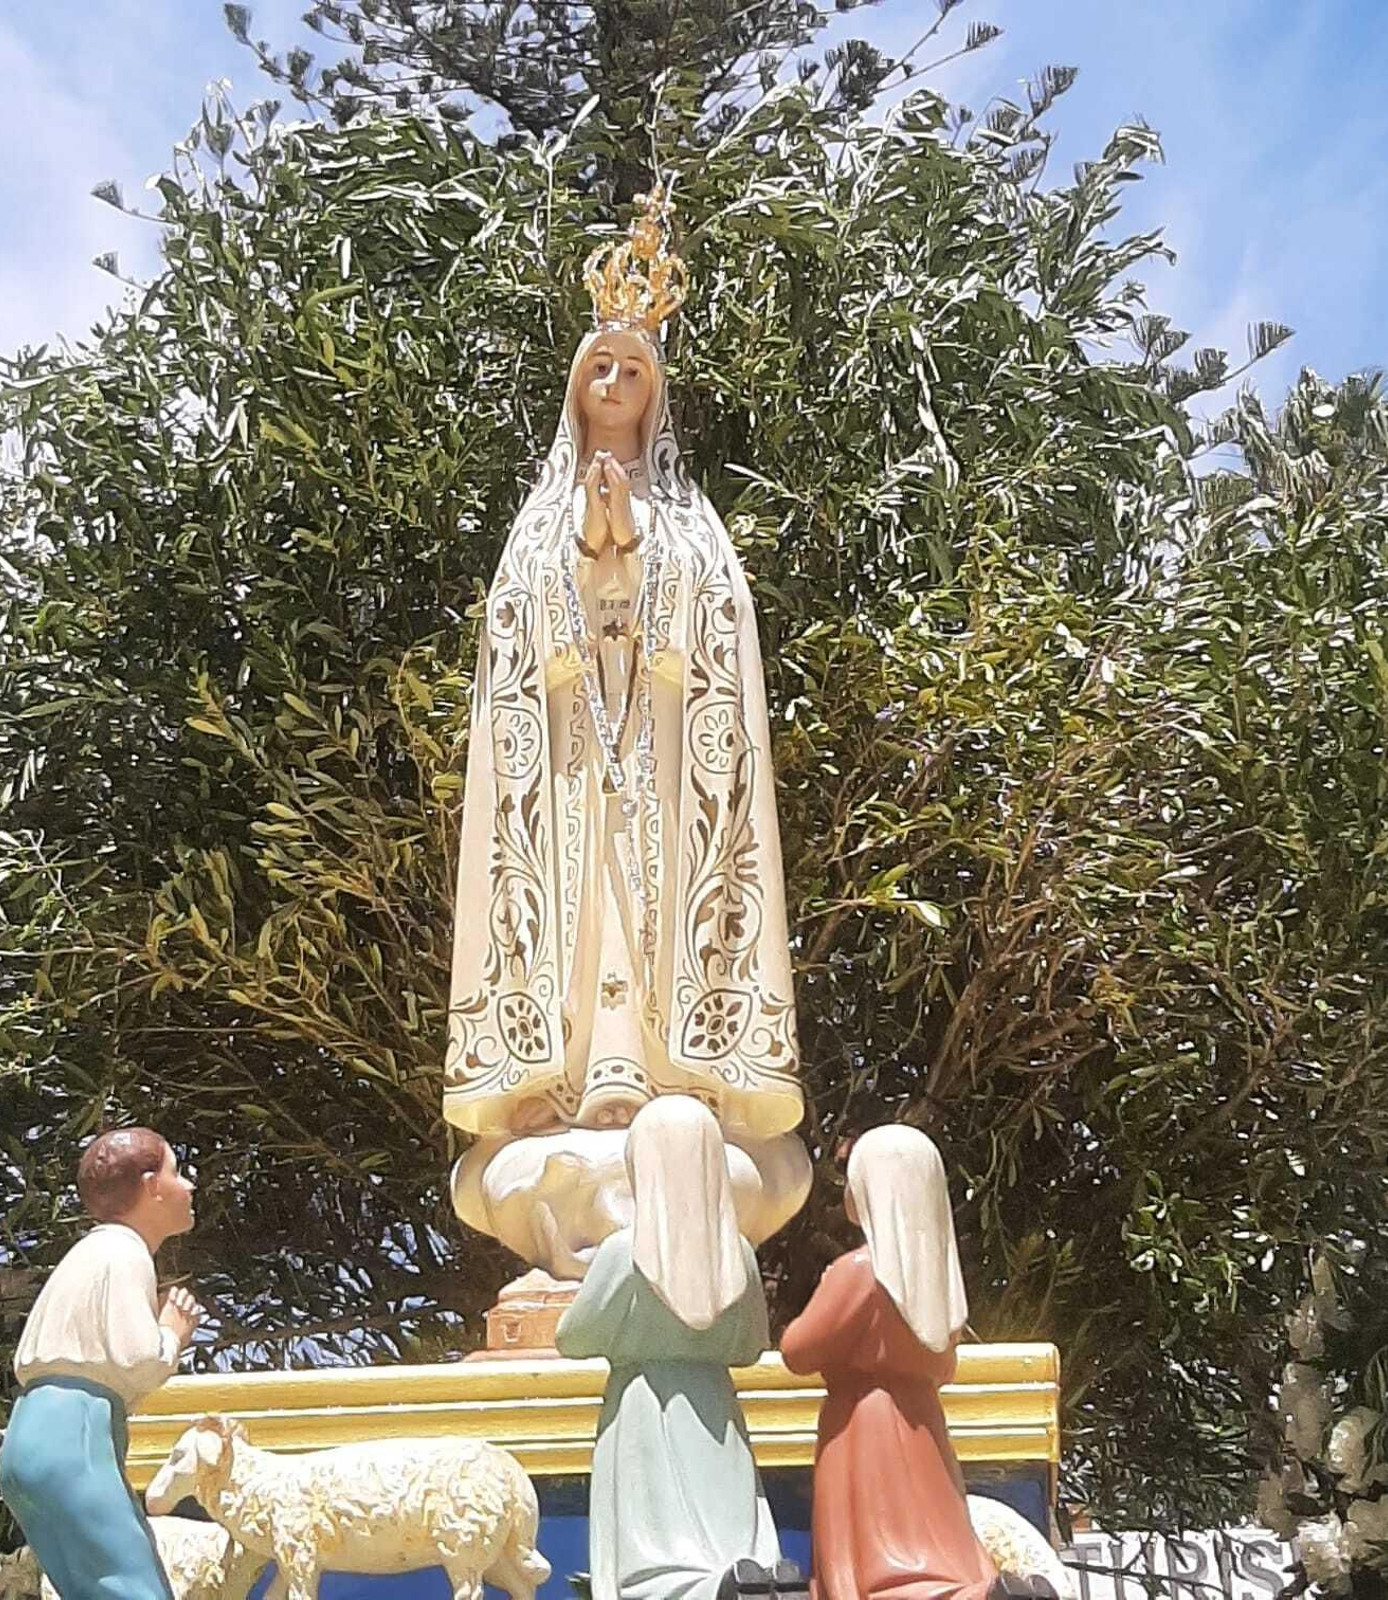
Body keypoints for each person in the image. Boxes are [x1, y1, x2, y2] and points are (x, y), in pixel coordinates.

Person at [445, 185, 809, 1280]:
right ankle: (578, 1081)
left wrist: (637, 563)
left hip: (662, 775)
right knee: (579, 914)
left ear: (655, 396)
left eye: (633, 372)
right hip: (563, 780)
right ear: (577, 389)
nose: (613, 386)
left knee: (656, 916)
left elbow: (714, 646)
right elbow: (514, 649)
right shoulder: (536, 523)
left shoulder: (695, 523)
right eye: (598, 369)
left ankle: (669, 1077)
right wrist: (582, 562)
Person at [779, 1126, 1054, 1600]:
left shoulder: (861, 1272)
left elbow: (797, 1351)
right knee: (935, 1537)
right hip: (923, 1424)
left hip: (863, 1425)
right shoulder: (937, 1282)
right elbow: (944, 1367)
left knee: (878, 1555)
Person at [556, 1096, 793, 1600]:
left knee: (655, 1534)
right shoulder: (741, 1256)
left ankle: (691, 1590)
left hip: (645, 1403)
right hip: (716, 1405)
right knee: (729, 1523)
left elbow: (572, 1337)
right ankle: (742, 1577)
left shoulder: (626, 1252)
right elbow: (751, 1346)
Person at [0, 1127, 204, 1599]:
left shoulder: (89, 1252)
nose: (188, 1186)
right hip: (76, 1430)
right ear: (151, 1185)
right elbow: (138, 1361)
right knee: (132, 1588)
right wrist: (172, 1332)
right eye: (177, 1172)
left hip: (29, 1438)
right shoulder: (125, 1251)